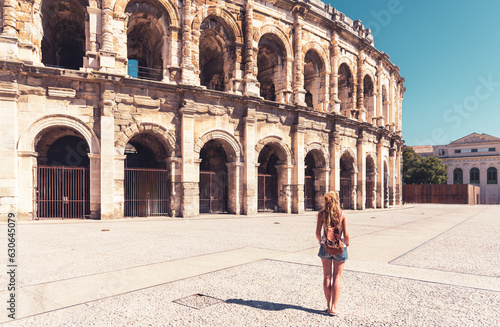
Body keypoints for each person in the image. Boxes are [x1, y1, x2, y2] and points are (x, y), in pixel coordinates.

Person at [315, 191, 350, 316]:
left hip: (325, 247)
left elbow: (318, 233)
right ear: (337, 200)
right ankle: (334, 307)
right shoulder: (342, 215)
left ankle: (328, 305)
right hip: (340, 248)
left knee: (327, 276)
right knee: (337, 277)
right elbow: (345, 234)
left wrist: (322, 243)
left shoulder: (322, 215)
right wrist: (347, 243)